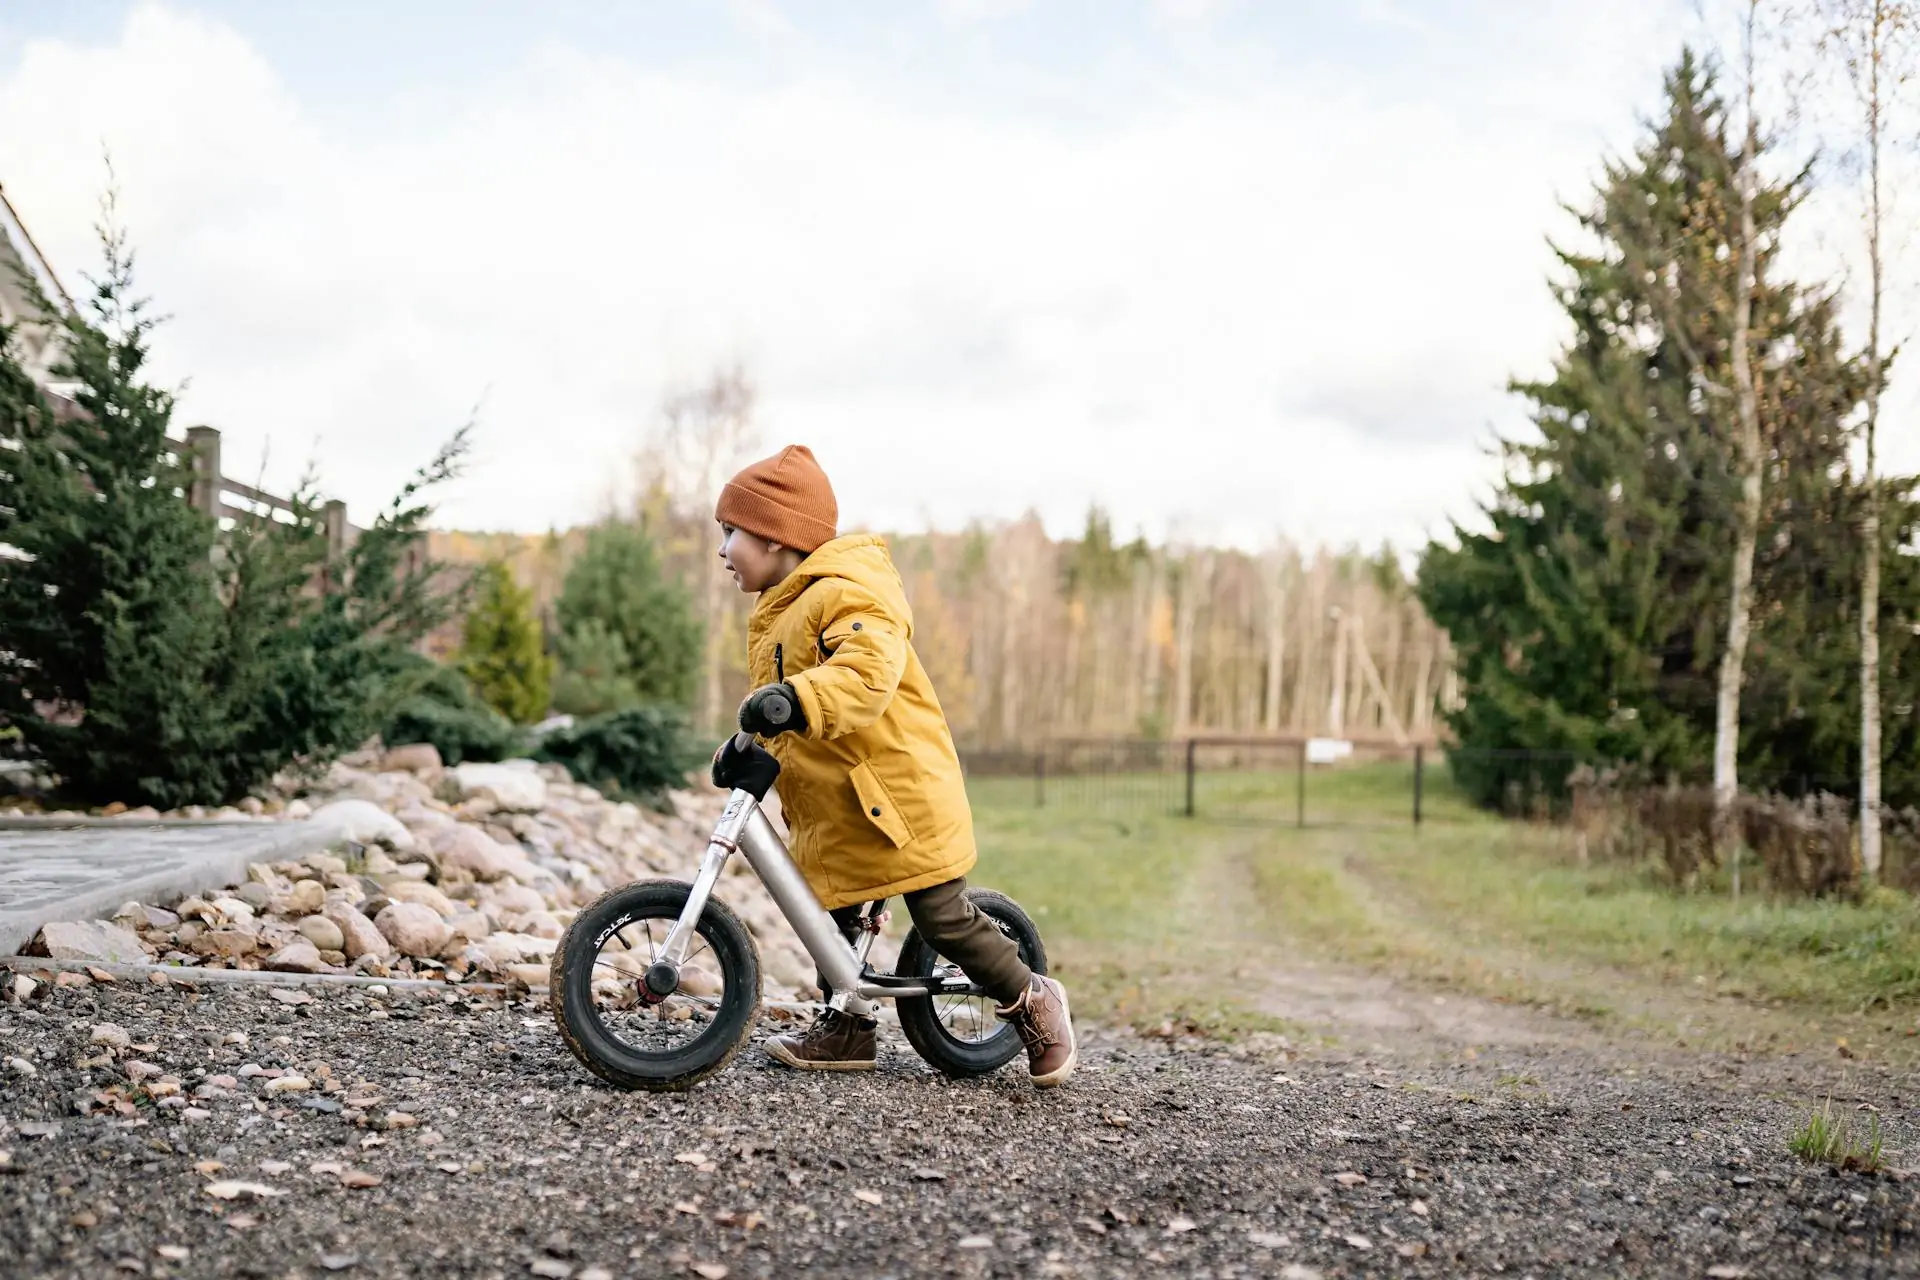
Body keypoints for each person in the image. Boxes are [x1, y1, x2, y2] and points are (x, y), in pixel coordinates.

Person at [708, 444, 1075, 1088]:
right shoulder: (783, 614)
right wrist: (753, 742)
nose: (723, 549)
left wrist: (794, 698)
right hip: (845, 803)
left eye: (731, 532)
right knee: (837, 922)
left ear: (774, 537)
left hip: (900, 798)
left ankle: (1033, 1000)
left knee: (941, 916)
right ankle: (847, 1028)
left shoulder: (851, 596)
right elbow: (793, 718)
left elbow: (863, 676)